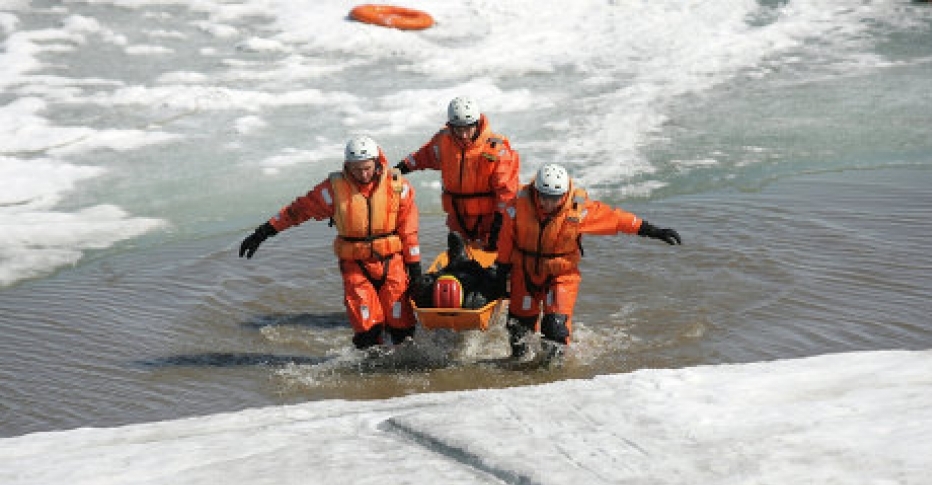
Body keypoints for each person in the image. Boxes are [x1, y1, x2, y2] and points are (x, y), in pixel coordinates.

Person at [238, 135, 423, 350]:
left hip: (392, 263)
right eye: (356, 169)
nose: (363, 174)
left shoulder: (397, 187)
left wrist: (415, 270)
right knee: (367, 334)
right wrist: (264, 232)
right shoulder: (332, 190)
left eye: (367, 168)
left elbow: (409, 232)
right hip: (356, 266)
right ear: (347, 166)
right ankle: (370, 375)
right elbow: (298, 210)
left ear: (377, 163)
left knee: (403, 330)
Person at [492, 163, 682, 358]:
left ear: (564, 194)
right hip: (524, 273)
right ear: (536, 191)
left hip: (560, 275)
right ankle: (522, 377)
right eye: (544, 197)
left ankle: (553, 376)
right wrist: (501, 271)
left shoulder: (579, 210)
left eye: (555, 198)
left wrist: (653, 231)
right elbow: (506, 240)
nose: (549, 204)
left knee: (555, 330)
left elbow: (616, 220)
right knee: (518, 333)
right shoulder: (518, 206)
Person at [395, 96, 520, 251]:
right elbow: (421, 157)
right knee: (457, 260)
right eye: (458, 129)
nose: (463, 135)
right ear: (451, 125)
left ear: (477, 123)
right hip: (457, 218)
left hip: (489, 220)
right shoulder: (443, 141)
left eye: (468, 128)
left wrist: (499, 225)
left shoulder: (496, 150)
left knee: (493, 260)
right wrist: (398, 170)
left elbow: (507, 193)